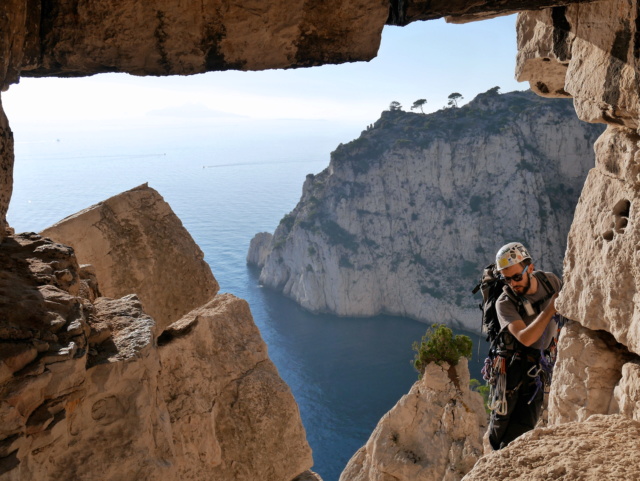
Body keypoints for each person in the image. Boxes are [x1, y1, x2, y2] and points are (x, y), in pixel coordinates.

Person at [488, 242, 562, 450]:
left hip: (536, 365)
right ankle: (495, 456)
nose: (512, 283)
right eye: (506, 279)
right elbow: (525, 338)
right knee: (501, 419)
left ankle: (509, 457)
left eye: (516, 277)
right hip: (512, 365)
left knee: (526, 421)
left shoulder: (550, 282)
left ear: (529, 268)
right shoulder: (505, 302)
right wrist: (550, 309)